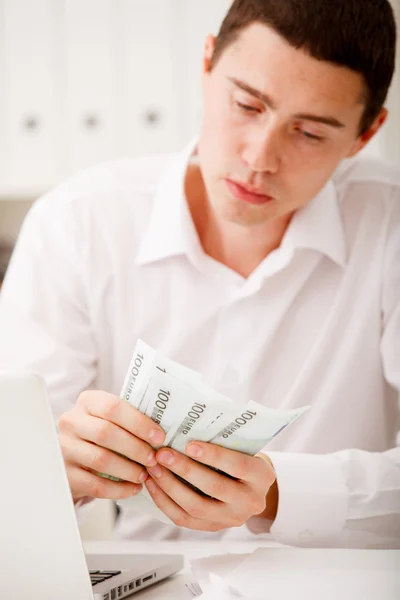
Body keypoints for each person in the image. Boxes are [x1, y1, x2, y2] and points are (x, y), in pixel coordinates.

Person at [0, 0, 399, 549]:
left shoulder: (390, 227)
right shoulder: (78, 223)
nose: (260, 157)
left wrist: (279, 491)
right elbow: (11, 475)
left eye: (309, 133)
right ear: (207, 63)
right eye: (246, 105)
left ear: (365, 133)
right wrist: (50, 468)